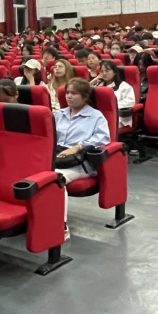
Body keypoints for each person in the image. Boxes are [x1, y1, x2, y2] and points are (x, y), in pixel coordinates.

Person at [54, 78, 111, 239]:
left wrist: (78, 146)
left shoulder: (95, 116)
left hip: (80, 162)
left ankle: (61, 227)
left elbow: (103, 138)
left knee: (55, 179)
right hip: (57, 157)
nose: (69, 96)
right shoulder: (59, 114)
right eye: (67, 93)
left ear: (85, 96)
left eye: (74, 93)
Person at [90, 61, 136, 129]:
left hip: (118, 116)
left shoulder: (124, 86)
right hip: (100, 115)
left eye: (107, 71)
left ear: (114, 72)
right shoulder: (99, 86)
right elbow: (84, 94)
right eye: (102, 71)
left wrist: (111, 107)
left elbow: (130, 102)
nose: (104, 73)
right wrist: (93, 81)